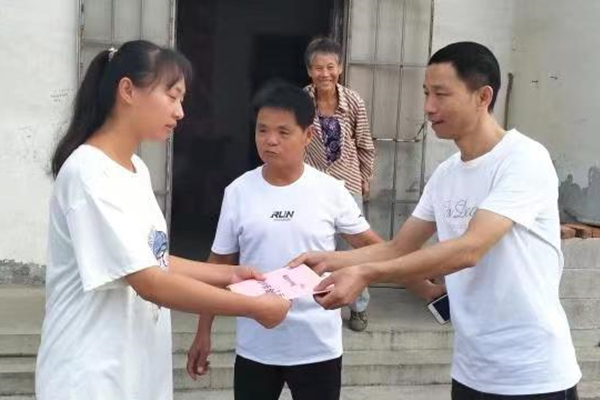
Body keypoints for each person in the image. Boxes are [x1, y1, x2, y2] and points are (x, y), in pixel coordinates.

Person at [290, 42, 582, 399]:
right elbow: (398, 247)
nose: (428, 107)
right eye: (426, 93)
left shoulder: (523, 159)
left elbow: (470, 249)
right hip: (471, 371)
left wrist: (365, 274)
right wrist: (327, 261)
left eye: (441, 94)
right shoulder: (446, 174)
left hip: (534, 374)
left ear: (483, 96)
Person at [36, 40, 290, 400]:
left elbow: (153, 259)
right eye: (172, 96)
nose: (180, 112)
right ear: (128, 90)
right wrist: (253, 307)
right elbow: (149, 281)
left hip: (134, 364)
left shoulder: (135, 169)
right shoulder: (88, 173)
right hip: (91, 373)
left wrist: (230, 275)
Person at [186, 82, 382, 400]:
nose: (270, 140)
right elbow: (218, 265)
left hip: (317, 345)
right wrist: (203, 331)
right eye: (262, 130)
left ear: (308, 135)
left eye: (283, 132)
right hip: (256, 345)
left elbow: (375, 249)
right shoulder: (238, 192)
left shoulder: (331, 191)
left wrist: (360, 275)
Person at [303, 37, 376, 331]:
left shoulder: (353, 101)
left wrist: (366, 177)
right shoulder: (300, 101)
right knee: (314, 246)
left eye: (330, 67)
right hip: (311, 186)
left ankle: (359, 307)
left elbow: (365, 144)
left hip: (348, 184)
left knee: (353, 250)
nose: (325, 74)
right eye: (318, 68)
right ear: (309, 71)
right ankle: (314, 301)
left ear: (340, 68)